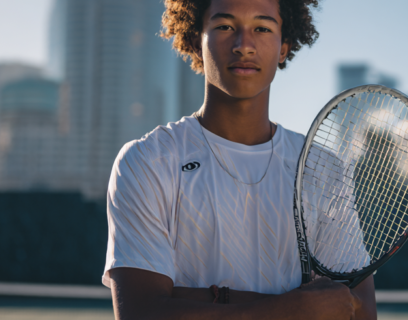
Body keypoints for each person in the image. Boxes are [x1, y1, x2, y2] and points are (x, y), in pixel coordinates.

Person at [101, 0, 377, 318]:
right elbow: (141, 313)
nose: (244, 45)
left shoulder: (324, 168)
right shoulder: (148, 160)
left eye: (262, 28)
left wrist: (202, 300)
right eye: (224, 26)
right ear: (195, 40)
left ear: (284, 47)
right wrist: (295, 307)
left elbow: (360, 311)